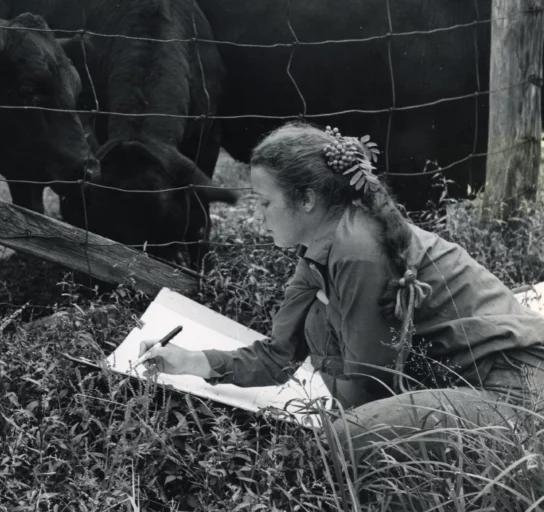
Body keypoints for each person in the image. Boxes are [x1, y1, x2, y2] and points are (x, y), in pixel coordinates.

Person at [138, 122, 544, 459]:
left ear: (308, 200)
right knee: (322, 335)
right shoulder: (320, 247)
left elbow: (368, 389)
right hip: (464, 377)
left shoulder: (357, 251)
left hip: (515, 389)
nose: (256, 215)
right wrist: (191, 361)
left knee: (346, 440)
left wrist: (334, 382)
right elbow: (279, 355)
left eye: (264, 202)